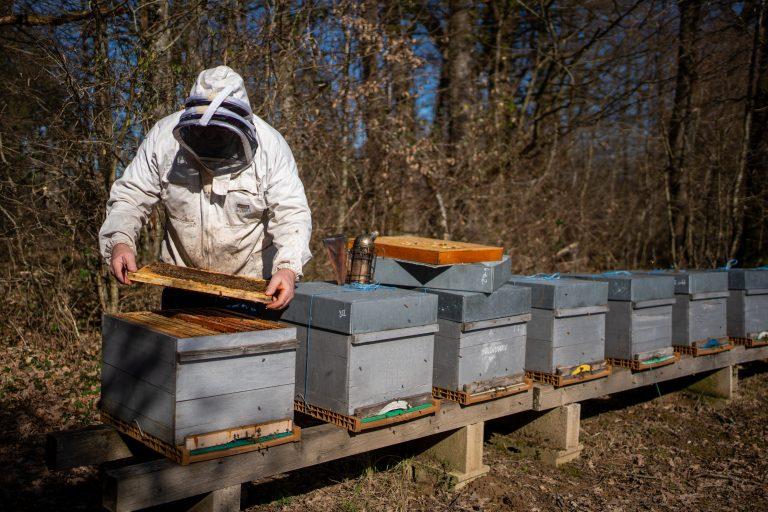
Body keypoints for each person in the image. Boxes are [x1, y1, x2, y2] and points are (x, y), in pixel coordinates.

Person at [99, 66, 312, 310]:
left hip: (252, 290)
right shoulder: (162, 139)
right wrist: (120, 241)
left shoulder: (270, 147)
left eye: (220, 136)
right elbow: (131, 195)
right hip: (181, 286)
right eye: (205, 134)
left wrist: (287, 268)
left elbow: (291, 212)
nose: (212, 142)